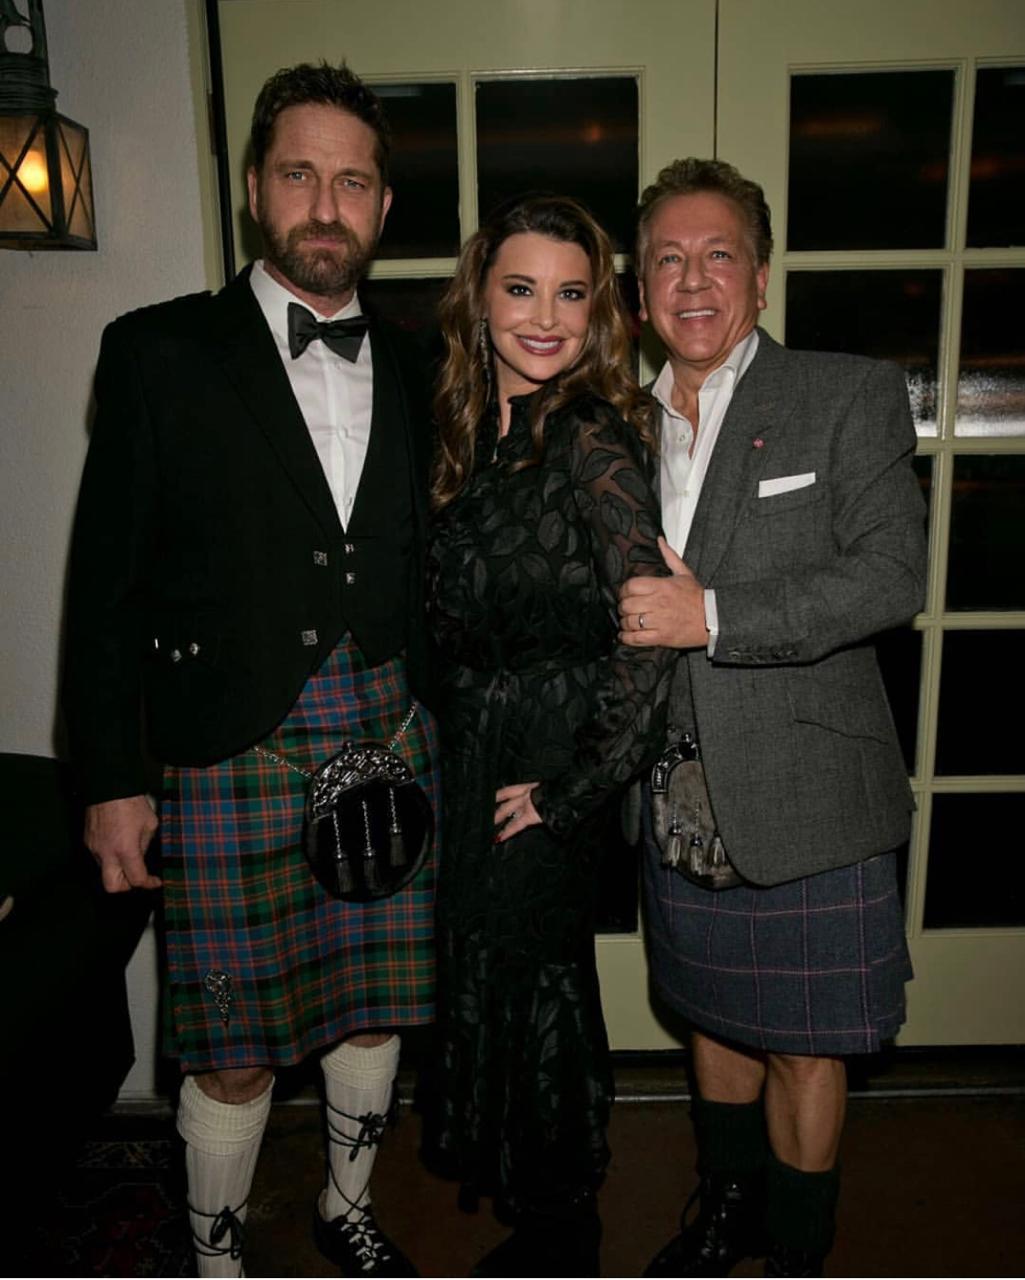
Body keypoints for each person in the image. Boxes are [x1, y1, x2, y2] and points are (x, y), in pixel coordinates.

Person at [63, 62, 438, 1279]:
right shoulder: (157, 350)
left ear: (382, 203)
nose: (325, 205)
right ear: (252, 189)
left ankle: (345, 1204)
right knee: (232, 1044)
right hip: (226, 745)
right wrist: (113, 775)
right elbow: (104, 582)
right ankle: (216, 1256)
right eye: (298, 174)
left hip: (390, 724)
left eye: (352, 181)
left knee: (375, 1008)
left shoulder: (425, 360)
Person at [618, 158, 926, 1277]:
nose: (692, 280)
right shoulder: (614, 423)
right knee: (712, 1019)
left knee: (804, 1045)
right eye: (667, 259)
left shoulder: (844, 394)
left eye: (718, 256)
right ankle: (726, 1210)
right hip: (675, 791)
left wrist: (711, 616)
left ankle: (797, 1251)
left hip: (807, 796)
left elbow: (891, 575)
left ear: (758, 275)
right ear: (638, 287)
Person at [423, 194, 675, 1276]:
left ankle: (564, 1228)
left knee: (543, 993)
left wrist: (571, 791)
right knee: (494, 978)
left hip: (545, 766)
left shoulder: (586, 436)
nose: (544, 316)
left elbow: (652, 634)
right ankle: (539, 1209)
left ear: (597, 312)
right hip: (473, 755)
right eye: (520, 288)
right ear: (478, 298)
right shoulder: (470, 433)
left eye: (571, 294)